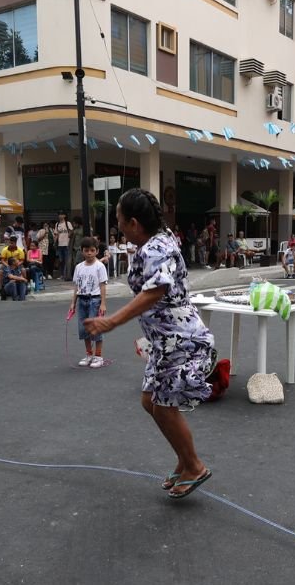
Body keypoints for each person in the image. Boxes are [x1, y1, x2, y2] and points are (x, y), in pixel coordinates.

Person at [84, 189, 214, 499]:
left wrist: (112, 321)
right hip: (163, 340)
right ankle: (185, 461)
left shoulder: (156, 247)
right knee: (149, 401)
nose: (118, 228)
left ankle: (194, 466)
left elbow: (156, 290)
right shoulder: (156, 240)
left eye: (119, 222)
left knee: (164, 407)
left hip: (179, 338)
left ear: (133, 222)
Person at [70, 236, 109, 368]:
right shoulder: (79, 267)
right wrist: (73, 303)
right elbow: (76, 286)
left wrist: (103, 303)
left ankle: (98, 356)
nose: (89, 253)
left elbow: (103, 285)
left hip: (95, 299)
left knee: (95, 328)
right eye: (86, 250)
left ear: (97, 251)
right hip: (82, 299)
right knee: (84, 329)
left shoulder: (100, 266)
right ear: (82, 251)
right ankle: (89, 354)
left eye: (92, 250)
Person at [54, 213, 74, 280]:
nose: (60, 216)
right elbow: (56, 234)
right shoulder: (57, 224)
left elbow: (71, 231)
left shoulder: (67, 223)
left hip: (66, 244)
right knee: (61, 260)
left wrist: (69, 236)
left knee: (67, 260)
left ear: (64, 216)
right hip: (60, 245)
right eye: (59, 214)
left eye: (62, 214)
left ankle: (67, 275)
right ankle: (62, 274)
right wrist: (55, 242)